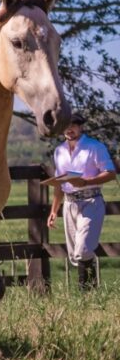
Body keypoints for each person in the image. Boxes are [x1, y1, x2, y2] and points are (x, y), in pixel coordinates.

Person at [47, 112, 116, 289]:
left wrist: (86, 182)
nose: (69, 129)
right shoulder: (59, 151)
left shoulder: (95, 147)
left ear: (80, 126)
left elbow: (110, 173)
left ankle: (87, 290)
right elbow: (59, 183)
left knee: (83, 250)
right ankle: (89, 293)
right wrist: (54, 210)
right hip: (69, 204)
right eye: (65, 126)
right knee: (74, 255)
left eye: (73, 125)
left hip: (91, 201)